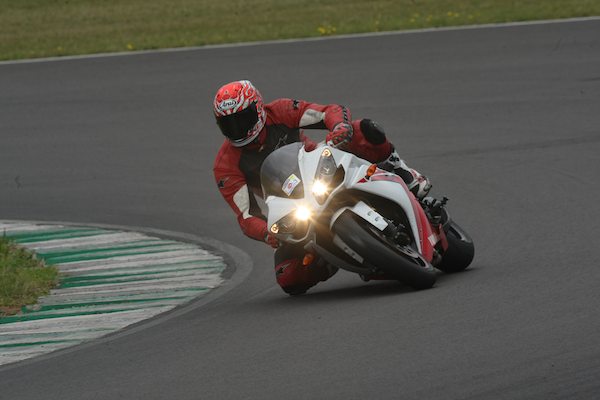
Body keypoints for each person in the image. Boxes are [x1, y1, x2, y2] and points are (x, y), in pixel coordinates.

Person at [212, 80, 431, 295]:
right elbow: (247, 216)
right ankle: (336, 256)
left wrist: (339, 126)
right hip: (293, 205)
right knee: (288, 277)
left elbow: (328, 112)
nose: (237, 129)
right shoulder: (225, 165)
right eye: (228, 124)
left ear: (258, 109)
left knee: (362, 130)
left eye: (243, 119)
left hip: (321, 169)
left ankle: (406, 175)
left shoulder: (279, 111)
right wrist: (267, 232)